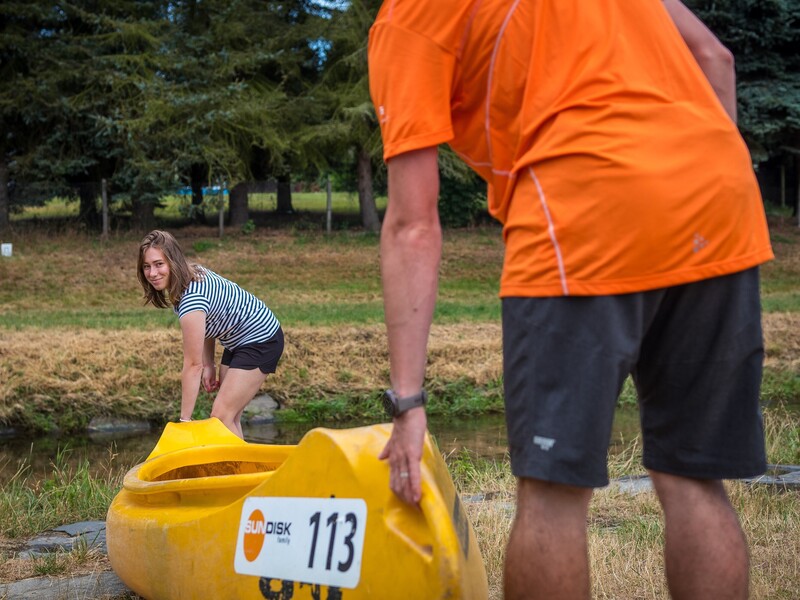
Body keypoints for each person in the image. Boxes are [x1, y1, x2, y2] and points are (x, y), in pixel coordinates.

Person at [368, 1, 774, 598]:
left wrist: (408, 401)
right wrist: (689, 186)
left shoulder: (408, 18)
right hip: (718, 196)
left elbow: (412, 225)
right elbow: (716, 58)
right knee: (694, 477)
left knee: (552, 489)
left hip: (582, 201)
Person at [137, 230, 283, 438]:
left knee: (221, 417)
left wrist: (185, 421)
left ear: (173, 261)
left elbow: (191, 366)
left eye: (159, 264)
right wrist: (210, 364)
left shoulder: (191, 301)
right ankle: (238, 469)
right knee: (229, 417)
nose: (152, 273)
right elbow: (207, 323)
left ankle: (244, 468)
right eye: (146, 266)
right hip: (238, 340)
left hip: (261, 339)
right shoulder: (190, 274)